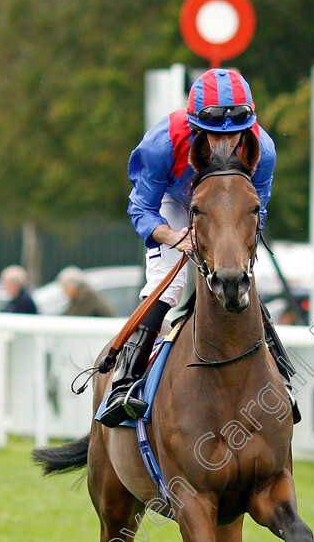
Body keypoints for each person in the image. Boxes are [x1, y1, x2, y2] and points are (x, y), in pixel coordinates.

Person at [99, 67, 298, 428]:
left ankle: (282, 376)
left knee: (242, 276)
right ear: (193, 127)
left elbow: (258, 210)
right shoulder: (163, 142)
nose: (224, 146)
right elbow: (140, 206)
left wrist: (228, 243)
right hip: (174, 203)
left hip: (227, 209)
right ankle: (124, 382)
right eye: (211, 135)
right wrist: (173, 236)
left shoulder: (262, 149)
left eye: (234, 135)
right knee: (169, 285)